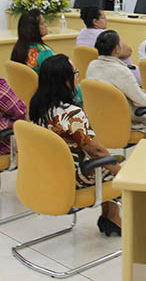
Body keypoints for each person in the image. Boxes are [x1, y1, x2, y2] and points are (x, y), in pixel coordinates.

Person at [29, 54, 122, 236]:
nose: (77, 77)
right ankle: (113, 218)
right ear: (65, 81)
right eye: (75, 73)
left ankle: (108, 217)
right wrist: (122, 172)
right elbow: (97, 151)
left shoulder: (38, 108)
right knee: (111, 166)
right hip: (72, 177)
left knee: (105, 164)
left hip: (48, 173)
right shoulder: (71, 114)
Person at [86, 30, 146, 137]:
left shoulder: (92, 66)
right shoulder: (121, 71)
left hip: (100, 115)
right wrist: (140, 93)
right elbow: (143, 102)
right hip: (124, 115)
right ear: (117, 49)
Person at [75, 7, 141, 85]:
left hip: (93, 75)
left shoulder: (81, 34)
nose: (106, 20)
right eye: (103, 17)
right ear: (95, 21)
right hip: (119, 76)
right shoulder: (106, 36)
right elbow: (128, 52)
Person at [10, 9, 54, 73]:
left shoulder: (17, 49)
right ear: (34, 29)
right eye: (42, 23)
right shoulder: (44, 52)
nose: (46, 25)